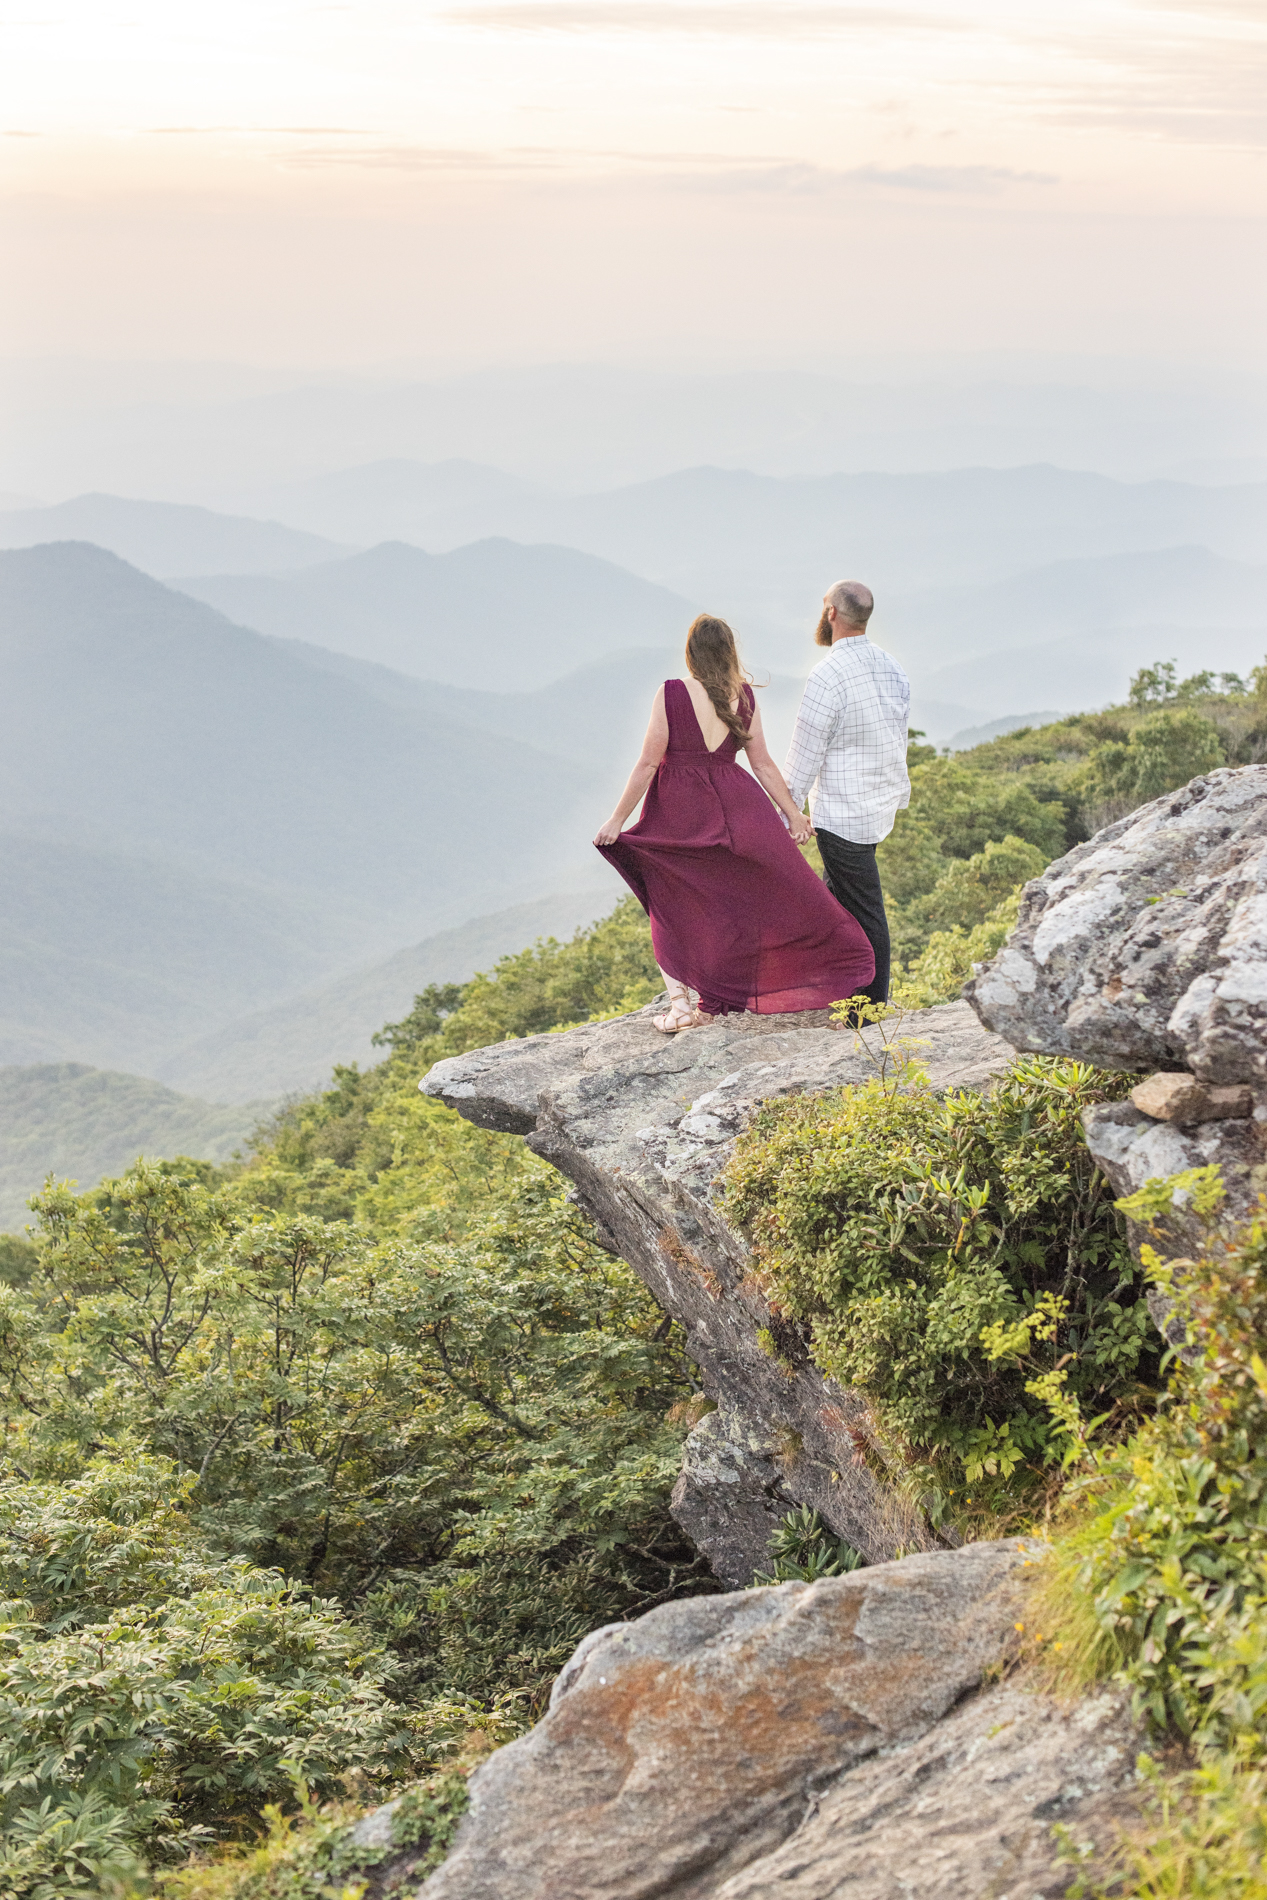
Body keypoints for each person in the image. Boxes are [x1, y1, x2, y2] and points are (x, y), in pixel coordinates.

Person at [594, 614, 875, 1033]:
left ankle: (682, 1006)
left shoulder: (672, 692)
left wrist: (617, 820)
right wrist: (793, 815)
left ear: (691, 653)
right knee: (742, 904)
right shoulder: (742, 696)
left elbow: (649, 762)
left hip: (682, 814)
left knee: (667, 901)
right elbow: (761, 762)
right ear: (729, 653)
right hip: (739, 809)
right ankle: (717, 997)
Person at [783, 581, 911, 1006]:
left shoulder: (826, 675)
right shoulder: (893, 668)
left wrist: (785, 814)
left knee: (865, 911)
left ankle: (870, 1007)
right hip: (877, 806)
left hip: (842, 815)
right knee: (829, 902)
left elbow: (804, 755)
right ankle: (829, 987)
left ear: (832, 614)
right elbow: (898, 737)